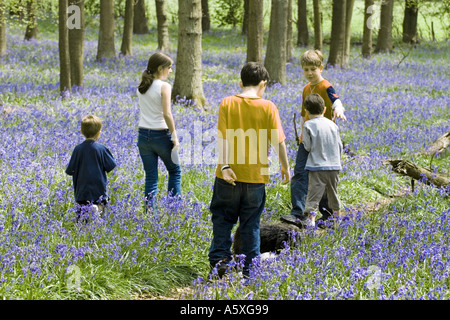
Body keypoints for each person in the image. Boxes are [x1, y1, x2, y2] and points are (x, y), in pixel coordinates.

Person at [208, 62, 290, 279]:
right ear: (263, 84)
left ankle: (220, 264)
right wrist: (285, 167)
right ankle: (250, 271)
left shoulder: (227, 103)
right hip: (255, 178)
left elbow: (222, 137)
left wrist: (225, 166)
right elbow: (279, 142)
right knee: (251, 225)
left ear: (240, 82)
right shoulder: (268, 106)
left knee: (223, 221)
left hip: (227, 176)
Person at [281, 49, 346, 228]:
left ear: (321, 68)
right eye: (306, 69)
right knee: (300, 173)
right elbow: (304, 114)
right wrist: (302, 134)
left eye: (313, 69)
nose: (309, 73)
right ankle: (298, 212)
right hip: (307, 138)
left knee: (323, 176)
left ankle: (326, 215)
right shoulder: (305, 89)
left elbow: (336, 99)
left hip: (323, 140)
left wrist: (339, 109)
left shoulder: (326, 86)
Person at [137, 52, 181, 210]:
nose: (170, 71)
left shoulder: (142, 86)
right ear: (160, 68)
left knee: (151, 177)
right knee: (175, 171)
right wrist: (175, 136)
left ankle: (151, 213)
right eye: (169, 68)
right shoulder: (164, 86)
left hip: (143, 135)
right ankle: (173, 209)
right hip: (161, 135)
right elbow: (167, 114)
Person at [300, 93, 343, 227]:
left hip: (316, 167)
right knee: (333, 193)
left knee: (314, 195)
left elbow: (307, 146)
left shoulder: (308, 125)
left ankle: (311, 222)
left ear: (306, 111)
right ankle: (337, 220)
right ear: (324, 109)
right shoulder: (333, 125)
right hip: (334, 166)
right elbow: (340, 146)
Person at [66, 115, 117, 223]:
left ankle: (83, 231)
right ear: (99, 132)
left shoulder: (77, 150)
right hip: (99, 193)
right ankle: (96, 217)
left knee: (81, 222)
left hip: (82, 194)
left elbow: (70, 170)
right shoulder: (102, 149)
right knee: (99, 222)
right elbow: (111, 166)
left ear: (81, 131)